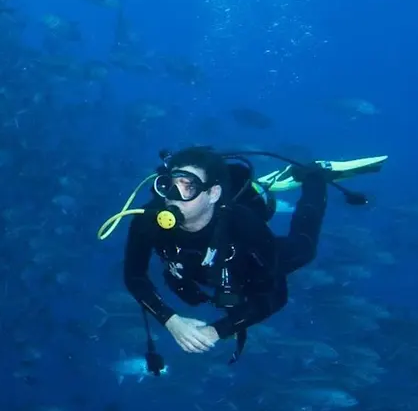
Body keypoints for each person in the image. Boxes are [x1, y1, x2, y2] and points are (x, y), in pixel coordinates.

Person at [121, 147, 329, 357]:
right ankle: (258, 188)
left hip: (242, 260)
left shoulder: (245, 227)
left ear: (213, 193)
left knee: (304, 249)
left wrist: (218, 331)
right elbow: (134, 275)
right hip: (198, 267)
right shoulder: (147, 220)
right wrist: (171, 321)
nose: (174, 197)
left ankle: (315, 178)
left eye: (188, 187)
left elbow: (275, 296)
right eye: (169, 185)